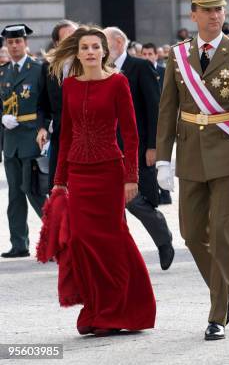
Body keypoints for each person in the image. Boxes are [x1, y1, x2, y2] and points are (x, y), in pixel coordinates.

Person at [156, 0, 229, 341]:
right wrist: (161, 159)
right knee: (190, 235)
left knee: (222, 234)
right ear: (193, 15)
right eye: (206, 10)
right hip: (189, 154)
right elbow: (168, 110)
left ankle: (217, 313)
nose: (214, 15)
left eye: (219, 9)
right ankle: (227, 284)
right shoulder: (177, 56)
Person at [48, 25, 156, 336]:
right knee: (82, 239)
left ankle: (120, 310)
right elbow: (66, 135)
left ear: (104, 51)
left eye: (96, 47)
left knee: (112, 239)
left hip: (109, 171)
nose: (91, 52)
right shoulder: (68, 85)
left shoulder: (117, 83)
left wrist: (130, 177)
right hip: (79, 173)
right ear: (78, 53)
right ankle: (96, 307)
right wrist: (59, 181)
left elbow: (132, 135)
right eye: (85, 48)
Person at [104, 26, 175, 271]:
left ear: (119, 43)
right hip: (109, 148)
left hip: (139, 145)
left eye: (105, 43)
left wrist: (155, 146)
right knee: (111, 204)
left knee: (135, 200)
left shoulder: (140, 67)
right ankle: (120, 255)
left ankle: (163, 239)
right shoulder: (102, 71)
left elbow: (155, 108)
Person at [0, 24, 47, 258]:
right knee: (15, 196)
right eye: (10, 42)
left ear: (26, 43)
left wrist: (44, 130)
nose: (14, 46)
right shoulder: (3, 72)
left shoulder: (38, 69)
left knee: (35, 192)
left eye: (18, 41)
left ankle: (57, 237)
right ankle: (19, 243)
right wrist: (2, 118)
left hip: (31, 138)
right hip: (11, 143)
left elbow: (46, 104)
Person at [36, 19, 78, 194]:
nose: (73, 41)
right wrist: (42, 128)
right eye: (67, 38)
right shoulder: (49, 66)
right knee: (59, 188)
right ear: (57, 43)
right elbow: (43, 103)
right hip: (61, 135)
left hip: (89, 135)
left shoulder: (92, 63)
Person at [141, 42, 171, 205]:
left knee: (162, 155)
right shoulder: (139, 70)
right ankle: (155, 191)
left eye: (149, 54)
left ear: (156, 55)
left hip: (163, 117)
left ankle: (165, 192)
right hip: (147, 120)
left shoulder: (163, 71)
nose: (147, 57)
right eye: (144, 54)